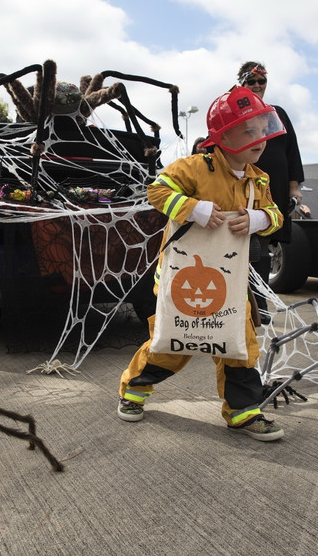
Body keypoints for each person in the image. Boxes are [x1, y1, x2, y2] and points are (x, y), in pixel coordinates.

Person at [117, 87, 286, 441]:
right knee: (174, 342)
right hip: (181, 277)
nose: (259, 139)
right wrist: (193, 209)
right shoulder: (194, 168)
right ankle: (133, 389)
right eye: (249, 131)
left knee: (239, 344)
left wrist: (258, 219)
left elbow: (276, 216)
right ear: (222, 137)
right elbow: (157, 191)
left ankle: (243, 411)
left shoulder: (259, 179)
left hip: (231, 280)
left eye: (262, 130)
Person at [236, 61, 306, 311]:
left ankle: (260, 305)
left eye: (261, 81)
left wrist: (294, 187)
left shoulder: (277, 113)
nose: (257, 85)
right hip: (243, 185)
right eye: (251, 81)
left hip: (272, 186)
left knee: (263, 246)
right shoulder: (233, 111)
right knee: (242, 245)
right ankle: (239, 303)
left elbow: (292, 150)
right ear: (242, 84)